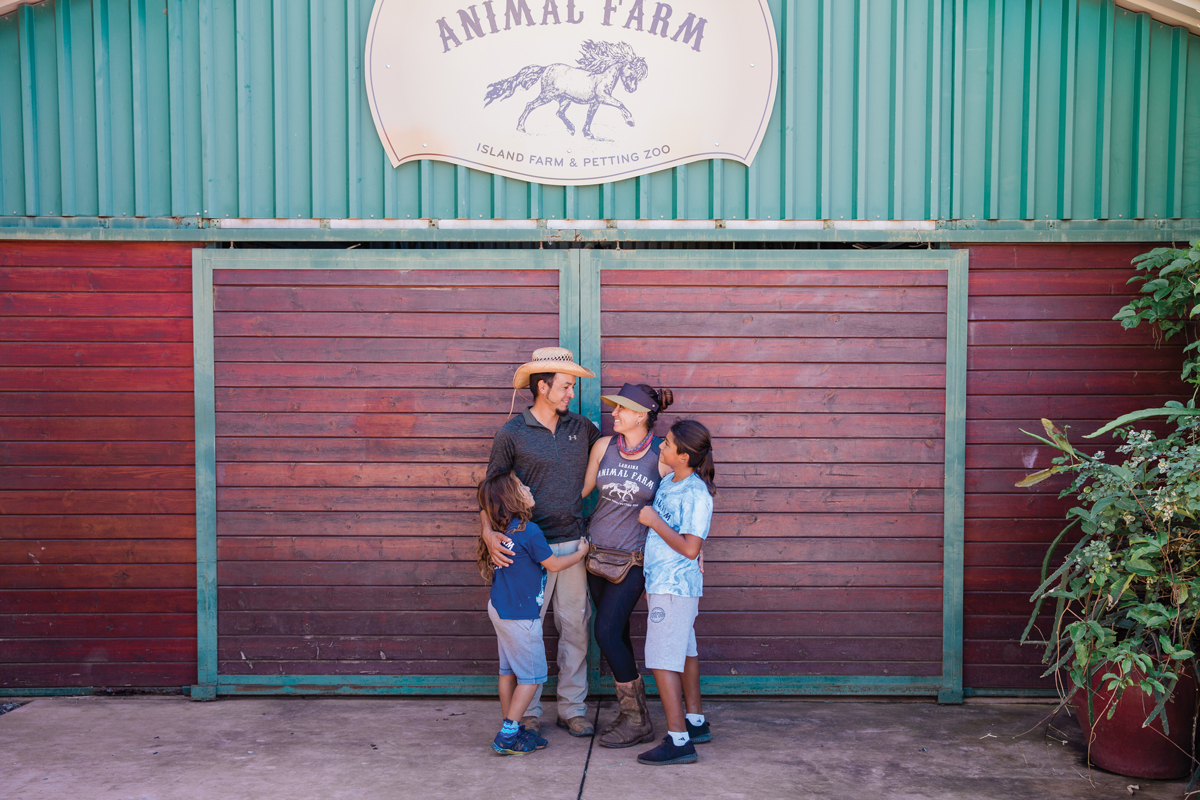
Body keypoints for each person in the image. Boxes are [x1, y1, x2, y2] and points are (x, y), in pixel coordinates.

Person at [480, 347, 601, 737]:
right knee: (528, 631)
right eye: (566, 386)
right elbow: (489, 490)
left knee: (575, 627)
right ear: (543, 386)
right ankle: (527, 713)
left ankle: (572, 707)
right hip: (528, 552)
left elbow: (617, 459)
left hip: (571, 545)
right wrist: (487, 532)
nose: (571, 394)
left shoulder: (583, 429)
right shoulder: (511, 433)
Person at [581, 382, 674, 748]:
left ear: (642, 415)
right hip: (595, 556)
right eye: (614, 408)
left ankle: (636, 719)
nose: (614, 414)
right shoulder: (603, 447)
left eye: (621, 409)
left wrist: (695, 550)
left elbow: (676, 508)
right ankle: (633, 714)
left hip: (634, 561)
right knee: (616, 634)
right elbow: (582, 491)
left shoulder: (662, 457)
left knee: (604, 631)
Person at [477, 472, 591, 756]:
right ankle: (508, 735)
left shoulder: (505, 531)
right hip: (520, 617)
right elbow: (553, 565)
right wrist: (580, 554)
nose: (528, 487)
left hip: (500, 610)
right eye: (521, 486)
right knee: (532, 677)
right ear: (512, 498)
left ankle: (515, 729)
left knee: (508, 671)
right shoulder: (530, 531)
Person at [635, 419, 717, 766]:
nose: (661, 448)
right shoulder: (670, 481)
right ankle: (695, 722)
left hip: (675, 588)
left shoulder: (697, 494)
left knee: (661, 658)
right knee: (684, 651)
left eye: (667, 444)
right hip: (663, 583)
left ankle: (678, 740)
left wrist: (654, 520)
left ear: (684, 456)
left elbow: (689, 547)